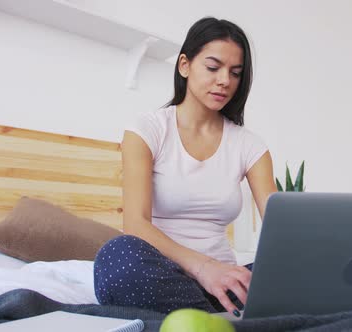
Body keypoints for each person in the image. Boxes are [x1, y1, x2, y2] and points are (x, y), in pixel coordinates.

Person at [94, 17, 277, 317]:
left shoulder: (251, 146)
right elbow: (136, 225)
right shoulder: (146, 130)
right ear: (184, 65)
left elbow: (280, 227)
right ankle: (223, 320)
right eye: (213, 67)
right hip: (163, 275)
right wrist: (204, 268)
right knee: (116, 256)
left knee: (303, 268)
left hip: (227, 285)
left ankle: (204, 319)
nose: (225, 81)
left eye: (235, 73)